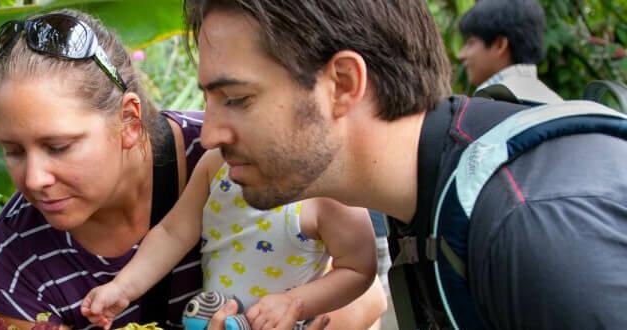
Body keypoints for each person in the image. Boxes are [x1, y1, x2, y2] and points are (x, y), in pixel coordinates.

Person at [183, 0, 627, 329]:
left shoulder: (530, 225)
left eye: (237, 99)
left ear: (342, 84)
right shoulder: (427, 201)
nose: (209, 134)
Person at [0, 9, 387, 329]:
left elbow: (365, 294)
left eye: (58, 146)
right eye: (13, 151)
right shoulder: (14, 261)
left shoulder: (233, 155)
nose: (34, 179)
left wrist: (298, 313)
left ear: (129, 122)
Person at [80, 145, 377, 330]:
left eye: (236, 100)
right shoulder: (215, 165)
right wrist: (123, 287)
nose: (209, 131)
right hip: (214, 317)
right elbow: (173, 232)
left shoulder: (326, 189)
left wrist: (294, 303)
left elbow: (358, 268)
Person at [457, 0, 562, 104]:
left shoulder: (486, 105)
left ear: (500, 45)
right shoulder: (557, 105)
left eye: (470, 43)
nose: (461, 55)